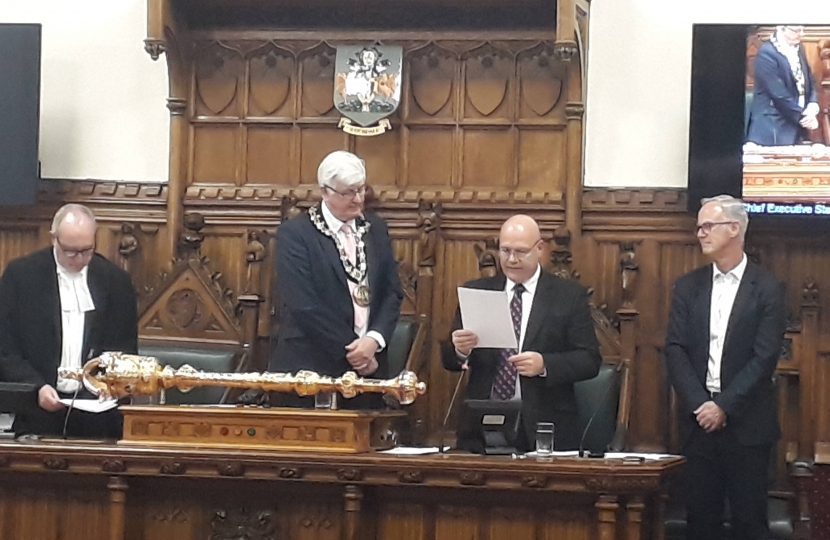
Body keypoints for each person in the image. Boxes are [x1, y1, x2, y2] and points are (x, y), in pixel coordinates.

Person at [665, 195, 786, 540]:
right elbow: (675, 349)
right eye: (699, 227)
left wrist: (724, 406)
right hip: (697, 424)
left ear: (734, 228)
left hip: (747, 426)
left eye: (707, 226)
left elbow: (764, 358)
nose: (700, 233)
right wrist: (701, 405)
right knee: (700, 523)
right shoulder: (688, 286)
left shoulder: (767, 288)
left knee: (749, 523)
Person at [442, 215, 601, 451]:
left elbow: (590, 360)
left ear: (540, 249)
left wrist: (545, 364)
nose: (512, 259)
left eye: (520, 252)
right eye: (505, 251)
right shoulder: (478, 291)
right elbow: (448, 360)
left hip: (544, 424)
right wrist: (460, 350)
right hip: (482, 424)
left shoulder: (568, 296)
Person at [270, 150, 403, 408]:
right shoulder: (296, 235)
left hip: (367, 373)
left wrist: (374, 341)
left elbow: (392, 292)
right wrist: (355, 352)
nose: (358, 200)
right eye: (348, 193)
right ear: (325, 191)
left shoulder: (375, 229)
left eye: (361, 190)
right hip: (311, 369)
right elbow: (304, 306)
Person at [0, 204, 138, 438]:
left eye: (87, 250)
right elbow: (6, 347)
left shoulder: (115, 282)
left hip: (98, 416)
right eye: (70, 251)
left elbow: (124, 349)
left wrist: (109, 383)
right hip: (36, 411)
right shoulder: (21, 276)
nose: (79, 259)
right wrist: (37, 387)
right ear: (54, 239)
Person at [746, 25, 819, 146]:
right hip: (772, 126)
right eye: (796, 31)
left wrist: (812, 105)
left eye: (802, 30)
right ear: (782, 29)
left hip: (795, 122)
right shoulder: (766, 53)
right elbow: (778, 94)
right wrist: (803, 118)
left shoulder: (799, 47)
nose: (802, 34)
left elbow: (809, 79)